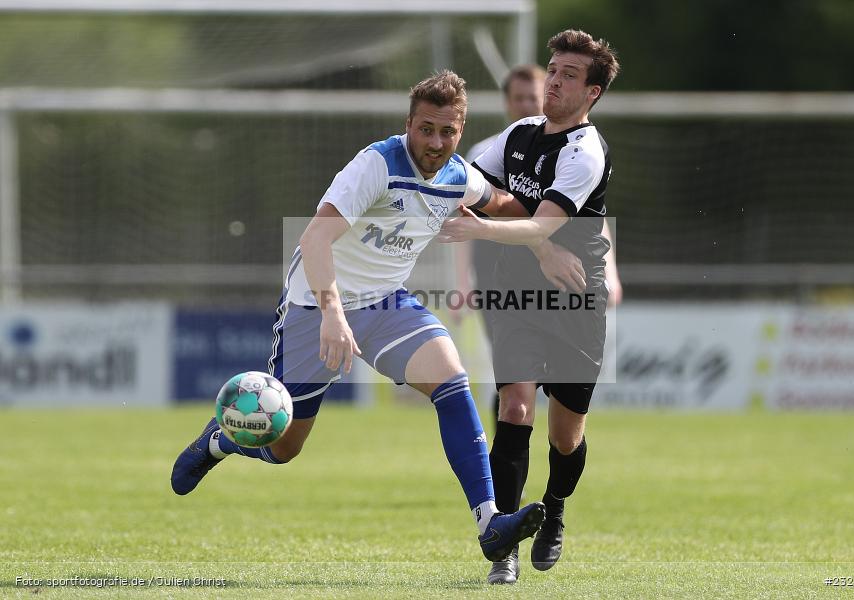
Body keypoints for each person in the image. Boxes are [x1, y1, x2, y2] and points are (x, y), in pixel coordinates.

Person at [170, 70, 548, 563]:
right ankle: (220, 441)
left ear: (460, 132)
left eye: (447, 132)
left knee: (453, 381)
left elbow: (504, 203)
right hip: (315, 304)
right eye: (426, 129)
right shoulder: (375, 165)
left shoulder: (459, 176)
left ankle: (490, 522)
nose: (435, 143)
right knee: (284, 447)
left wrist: (556, 214)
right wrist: (332, 314)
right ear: (408, 125)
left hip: (385, 303)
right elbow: (314, 239)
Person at [439, 30, 620, 584]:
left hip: (575, 301)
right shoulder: (518, 135)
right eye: (554, 69)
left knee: (565, 436)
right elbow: (479, 186)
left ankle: (555, 508)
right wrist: (527, 240)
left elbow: (539, 222)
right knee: (514, 407)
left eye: (569, 75)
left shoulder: (585, 152)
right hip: (514, 295)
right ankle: (504, 543)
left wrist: (494, 229)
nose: (555, 81)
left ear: (591, 93)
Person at [460, 64, 623, 435]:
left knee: (563, 420)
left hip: (568, 280)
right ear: (506, 103)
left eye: (531, 97)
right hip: (501, 268)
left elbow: (594, 217)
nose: (526, 104)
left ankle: (553, 466)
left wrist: (610, 271)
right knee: (513, 383)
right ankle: (505, 459)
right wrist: (463, 278)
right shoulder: (495, 147)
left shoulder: (581, 152)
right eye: (517, 98)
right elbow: (468, 214)